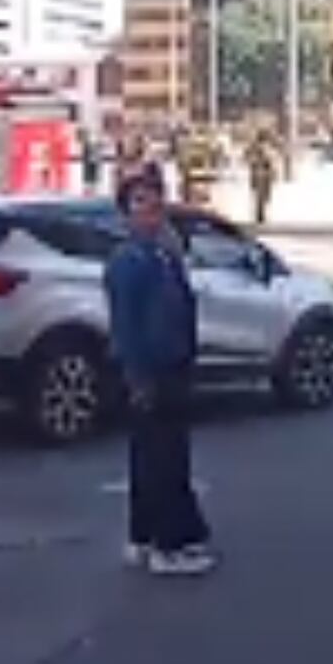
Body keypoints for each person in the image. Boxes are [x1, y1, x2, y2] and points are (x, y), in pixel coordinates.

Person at [104, 172, 214, 575]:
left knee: (155, 456)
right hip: (151, 368)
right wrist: (137, 377)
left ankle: (143, 534)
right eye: (140, 205)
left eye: (155, 204)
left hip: (173, 364)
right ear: (125, 214)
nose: (151, 213)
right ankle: (171, 542)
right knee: (163, 459)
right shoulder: (129, 261)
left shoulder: (162, 254)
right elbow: (126, 324)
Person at [244, 131, 278, 227]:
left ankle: (260, 213)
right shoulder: (255, 147)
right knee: (261, 195)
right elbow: (247, 157)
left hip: (263, 174)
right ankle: (260, 214)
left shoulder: (268, 147)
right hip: (261, 173)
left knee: (264, 196)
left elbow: (272, 162)